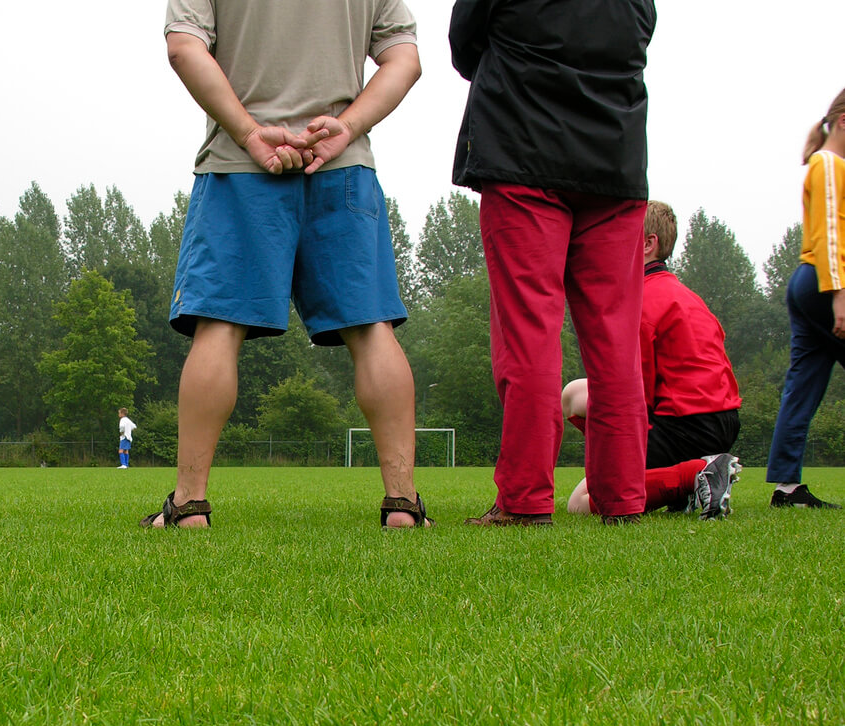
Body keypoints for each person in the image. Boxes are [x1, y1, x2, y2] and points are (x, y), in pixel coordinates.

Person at [145, 0, 427, 529]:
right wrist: (347, 126)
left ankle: (188, 506)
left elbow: (184, 47)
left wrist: (251, 133)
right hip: (341, 165)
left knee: (219, 328)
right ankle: (403, 506)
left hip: (239, 165)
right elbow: (404, 59)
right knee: (372, 329)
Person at [450, 0, 655, 526]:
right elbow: (638, 37)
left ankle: (524, 501)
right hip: (615, 159)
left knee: (529, 334)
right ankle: (625, 500)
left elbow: (465, 43)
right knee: (616, 340)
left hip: (523, 153)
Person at [562, 201, 742, 519]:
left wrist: (622, 456)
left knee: (581, 502)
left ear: (648, 244)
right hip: (720, 422)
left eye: (620, 237)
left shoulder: (641, 301)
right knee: (575, 393)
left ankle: (697, 474)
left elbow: (636, 394)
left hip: (683, 426)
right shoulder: (687, 296)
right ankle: (679, 487)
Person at [766, 89, 845, 509]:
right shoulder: (829, 164)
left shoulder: (824, 164)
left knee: (802, 384)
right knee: (801, 383)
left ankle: (787, 488)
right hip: (824, 282)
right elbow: (833, 234)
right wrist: (839, 298)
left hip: (808, 282)